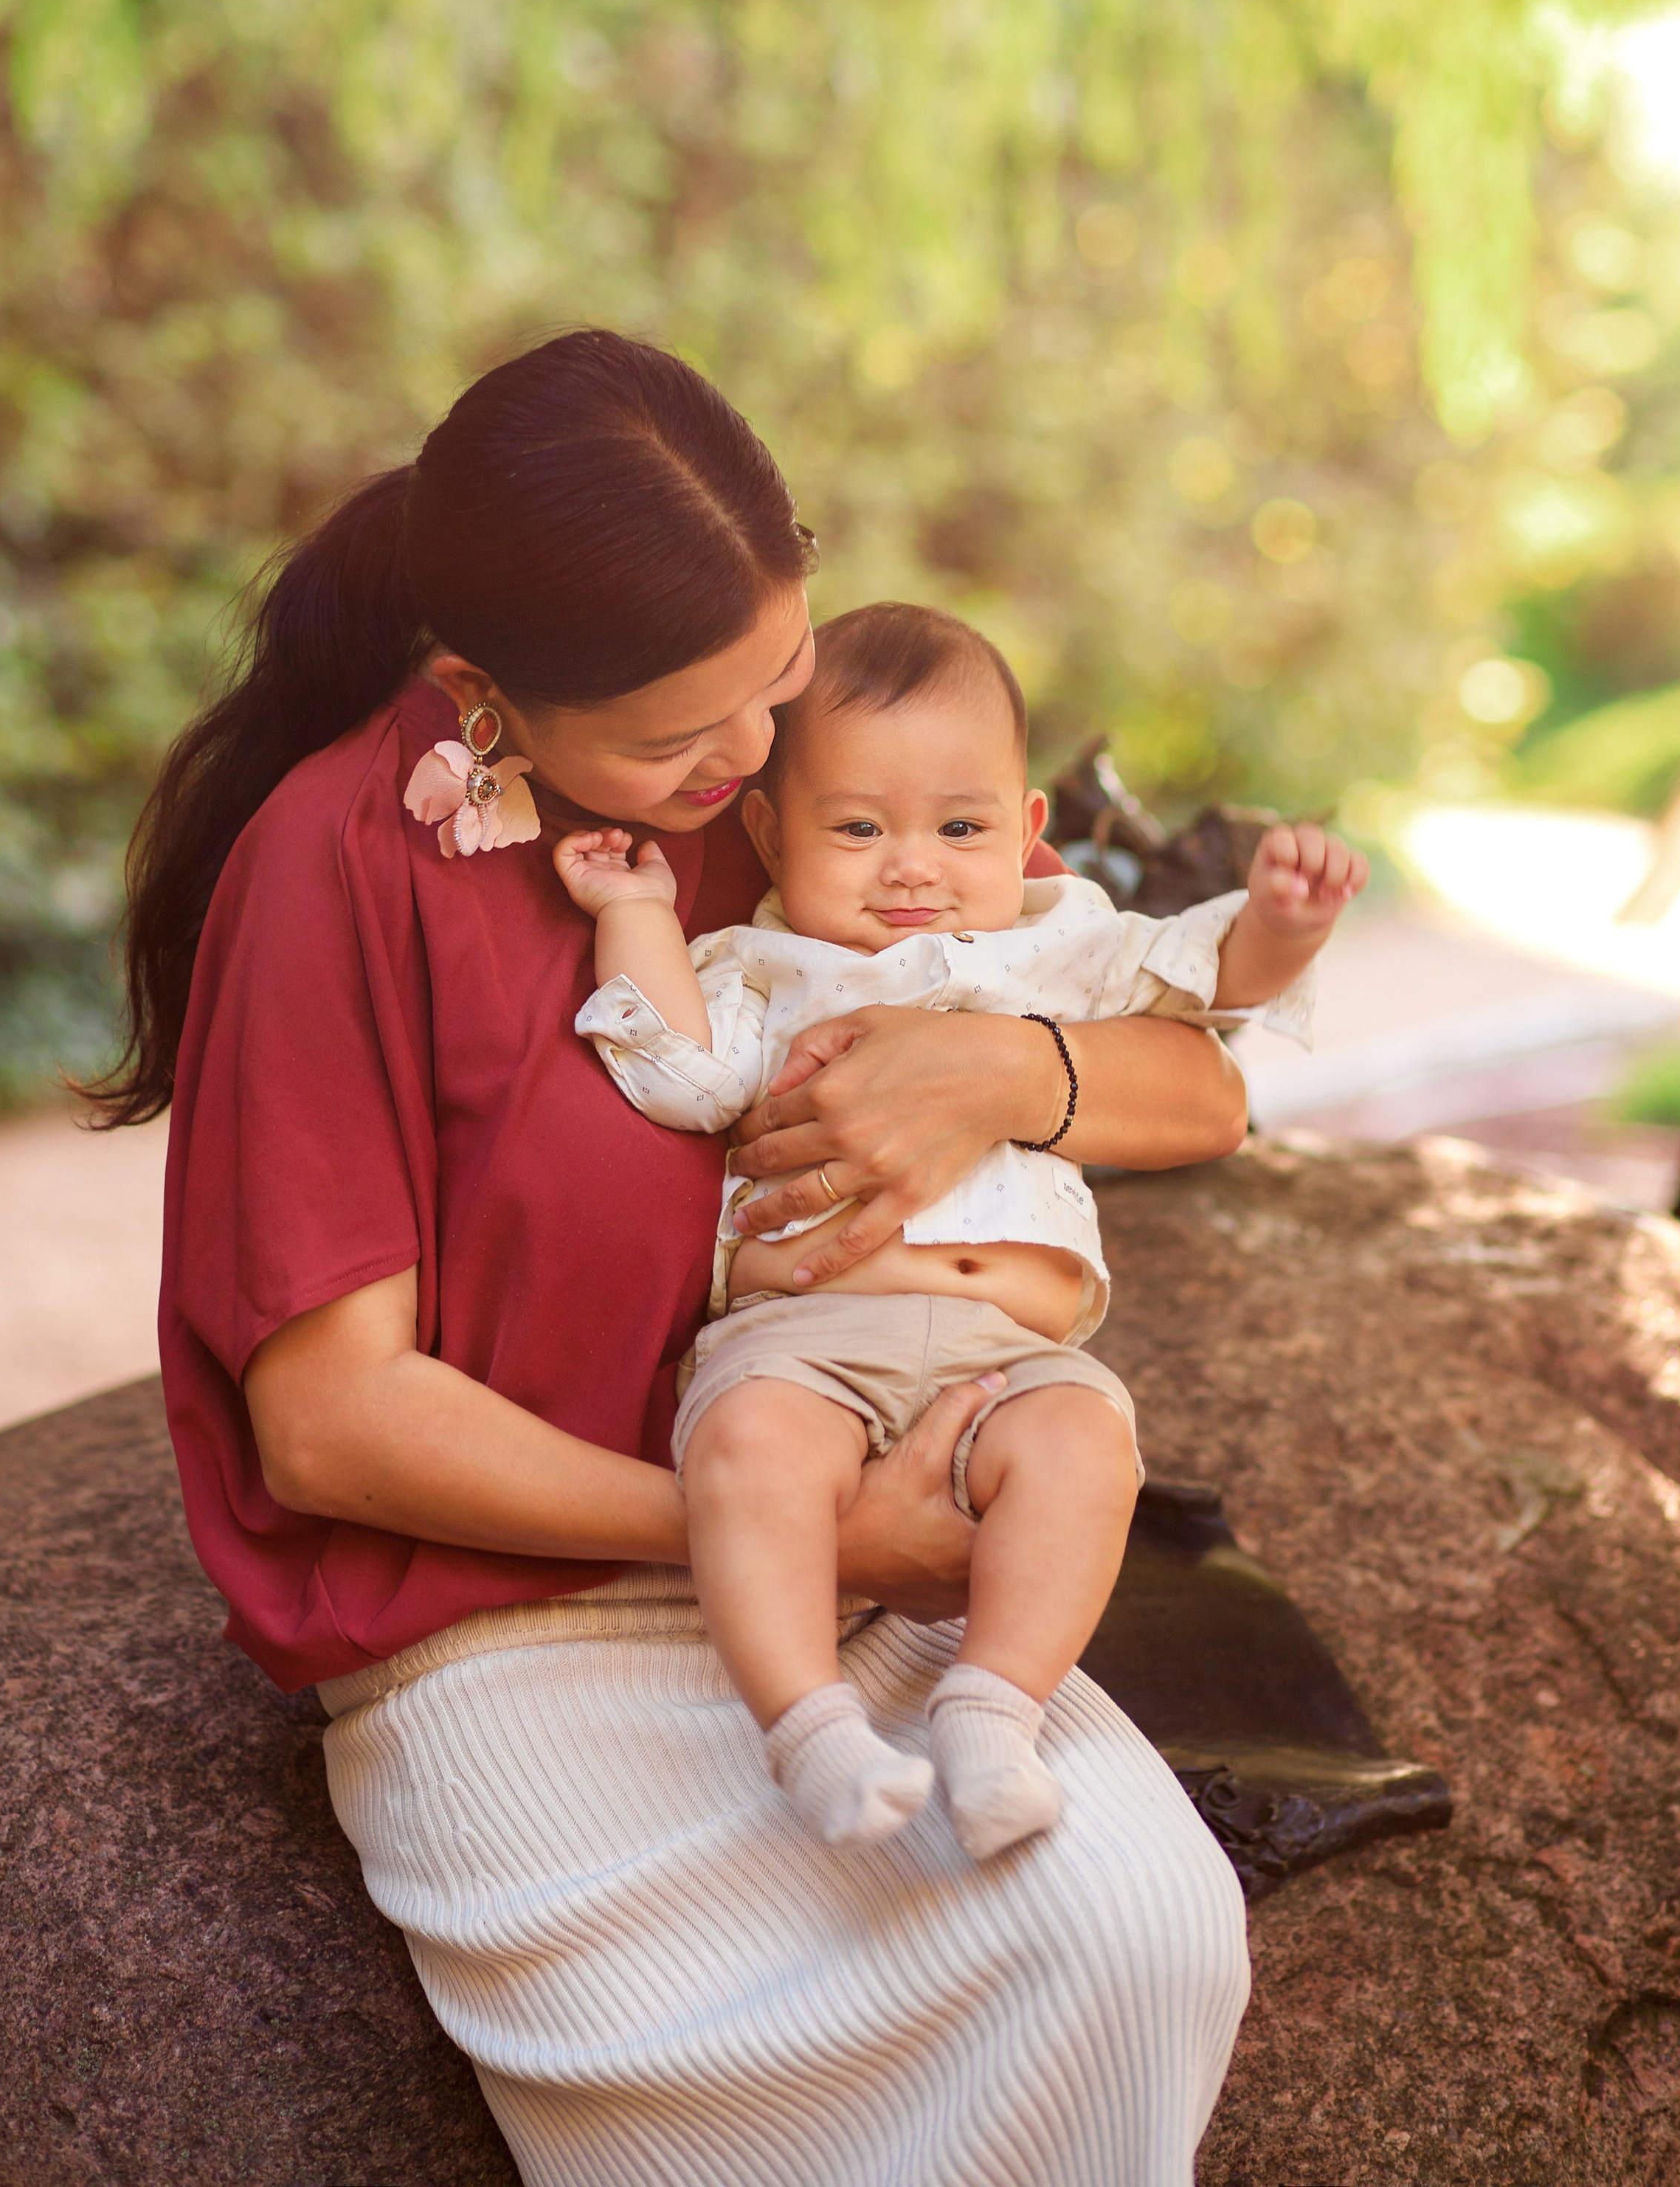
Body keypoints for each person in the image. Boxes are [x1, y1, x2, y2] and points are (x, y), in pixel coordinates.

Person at [103, 328, 1256, 2187]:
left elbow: (1203, 1098)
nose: (743, 760)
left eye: (774, 682)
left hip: (846, 1566)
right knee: (757, 2111)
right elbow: (323, 1427)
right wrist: (779, 1528)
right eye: (671, 735)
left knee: (1137, 1932)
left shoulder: (800, 793)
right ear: (484, 690)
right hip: (511, 1624)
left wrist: (1004, 1069)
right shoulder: (332, 864)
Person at [554, 602, 1358, 1860]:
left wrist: (1284, 927)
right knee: (753, 1447)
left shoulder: (1057, 947)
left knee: (1090, 1447)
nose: (912, 866)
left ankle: (994, 1708)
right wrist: (637, 915)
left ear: (1030, 834)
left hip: (1011, 1354)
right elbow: (683, 1076)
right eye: (860, 828)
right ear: (771, 830)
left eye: (962, 827)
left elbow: (1196, 992)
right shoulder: (762, 966)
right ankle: (808, 1726)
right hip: (810, 1332)